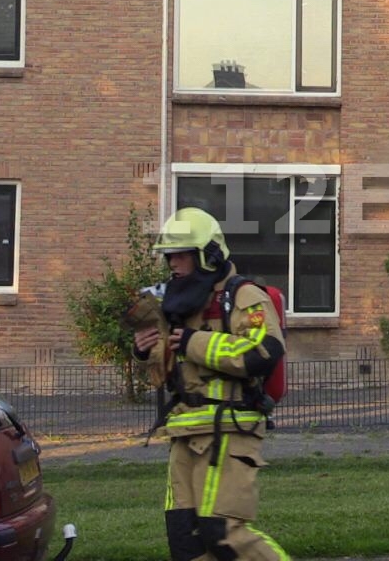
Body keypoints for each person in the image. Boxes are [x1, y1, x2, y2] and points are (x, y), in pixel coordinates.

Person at [131, 207, 289, 561]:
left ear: (208, 255)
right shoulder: (178, 304)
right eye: (168, 256)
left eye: (180, 254)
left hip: (229, 432)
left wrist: (191, 342)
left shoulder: (244, 296)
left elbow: (263, 351)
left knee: (225, 535)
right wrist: (145, 352)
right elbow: (165, 374)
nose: (172, 263)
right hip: (184, 434)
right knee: (185, 541)